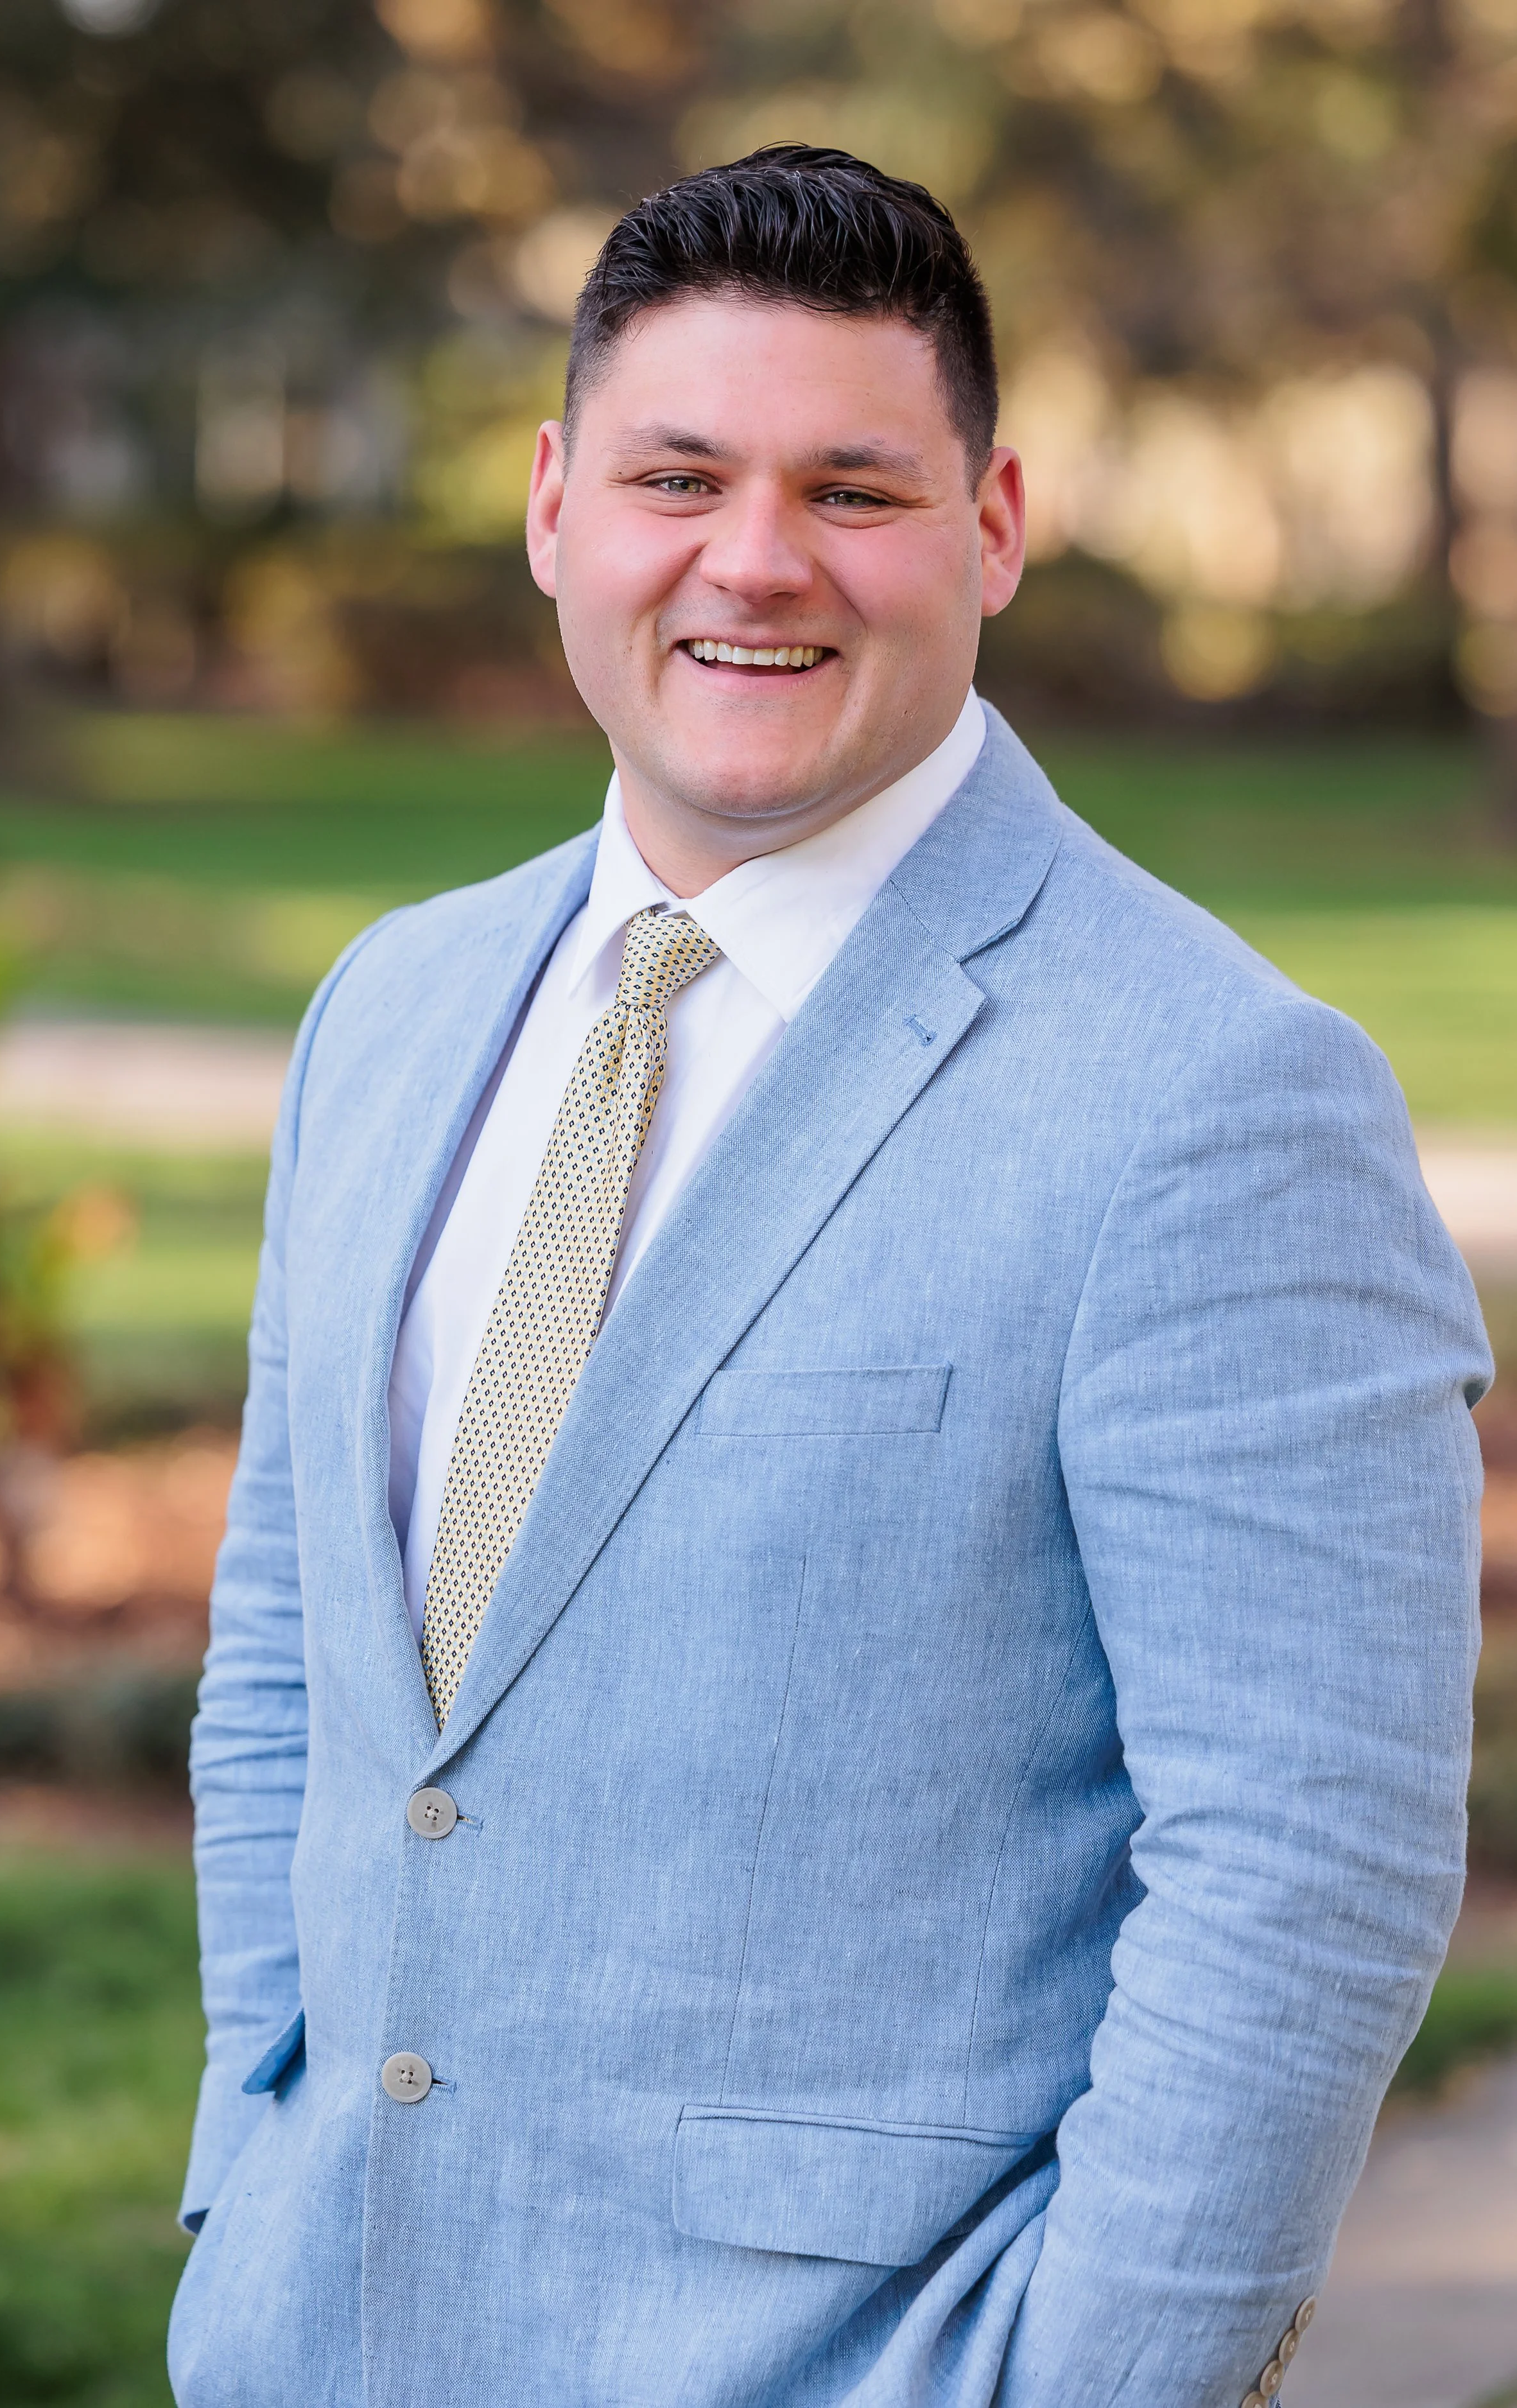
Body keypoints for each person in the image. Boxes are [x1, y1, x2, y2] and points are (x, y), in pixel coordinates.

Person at [168, 146, 1490, 2408]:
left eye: (851, 491)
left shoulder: (1215, 1095)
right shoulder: (387, 1009)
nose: (752, 560)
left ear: (989, 527)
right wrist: (244, 2168)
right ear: (554, 507)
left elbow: (1304, 1868)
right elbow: (292, 1665)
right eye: (679, 473)